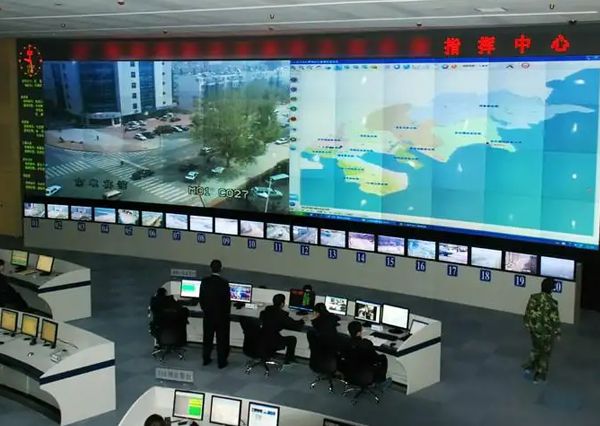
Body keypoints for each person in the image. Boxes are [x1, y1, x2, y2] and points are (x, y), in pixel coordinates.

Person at [522, 277, 561, 383]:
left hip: (534, 330)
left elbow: (528, 312)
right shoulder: (552, 303)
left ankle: (530, 366)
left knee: (535, 348)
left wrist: (527, 324)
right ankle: (540, 373)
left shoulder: (533, 297)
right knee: (545, 352)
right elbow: (555, 319)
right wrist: (558, 333)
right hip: (546, 333)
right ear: (551, 289)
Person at [199, 259, 231, 368]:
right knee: (221, 340)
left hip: (208, 315)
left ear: (210, 268)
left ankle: (206, 359)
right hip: (221, 317)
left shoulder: (205, 281)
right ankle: (221, 362)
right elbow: (227, 302)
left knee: (207, 338)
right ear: (221, 269)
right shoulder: (224, 283)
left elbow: (201, 298)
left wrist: (205, 310)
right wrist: (226, 315)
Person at [260, 293, 305, 364]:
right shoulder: (282, 314)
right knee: (292, 339)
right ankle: (289, 359)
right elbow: (295, 326)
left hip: (262, 338)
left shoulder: (265, 311)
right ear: (282, 304)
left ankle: (268, 352)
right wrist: (303, 320)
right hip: (273, 341)